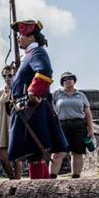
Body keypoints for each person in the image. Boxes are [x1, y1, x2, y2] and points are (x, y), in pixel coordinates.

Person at [8, 20, 68, 179]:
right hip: (26, 109)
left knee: (36, 153)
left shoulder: (37, 53)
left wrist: (33, 92)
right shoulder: (29, 55)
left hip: (32, 109)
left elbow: (44, 71)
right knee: (34, 154)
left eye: (22, 35)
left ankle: (37, 192)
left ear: (32, 37)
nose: (19, 38)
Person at [52, 72, 94, 178]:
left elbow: (88, 113)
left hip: (78, 125)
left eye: (70, 78)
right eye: (65, 79)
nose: (68, 80)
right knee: (58, 152)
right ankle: (51, 179)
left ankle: (75, 178)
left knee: (77, 152)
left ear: (74, 80)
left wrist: (90, 129)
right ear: (62, 83)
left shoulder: (81, 95)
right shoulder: (57, 94)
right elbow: (49, 108)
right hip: (62, 125)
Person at [0, 65, 21, 179]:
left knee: (18, 158)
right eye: (5, 75)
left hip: (17, 127)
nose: (7, 78)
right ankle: (12, 180)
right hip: (3, 129)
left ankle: (17, 184)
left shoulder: (20, 90)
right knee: (3, 158)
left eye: (10, 75)